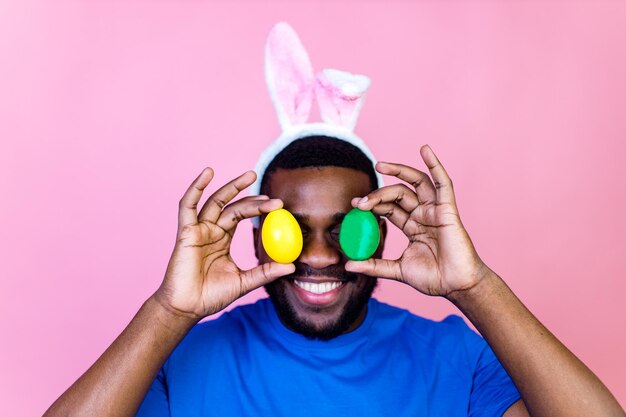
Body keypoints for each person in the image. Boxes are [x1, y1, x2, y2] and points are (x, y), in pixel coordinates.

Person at [44, 23, 625, 417]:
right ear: (253, 238)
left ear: (384, 231)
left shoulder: (456, 359)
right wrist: (166, 313)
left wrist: (477, 289)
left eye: (345, 229)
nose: (319, 258)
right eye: (290, 230)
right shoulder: (178, 360)